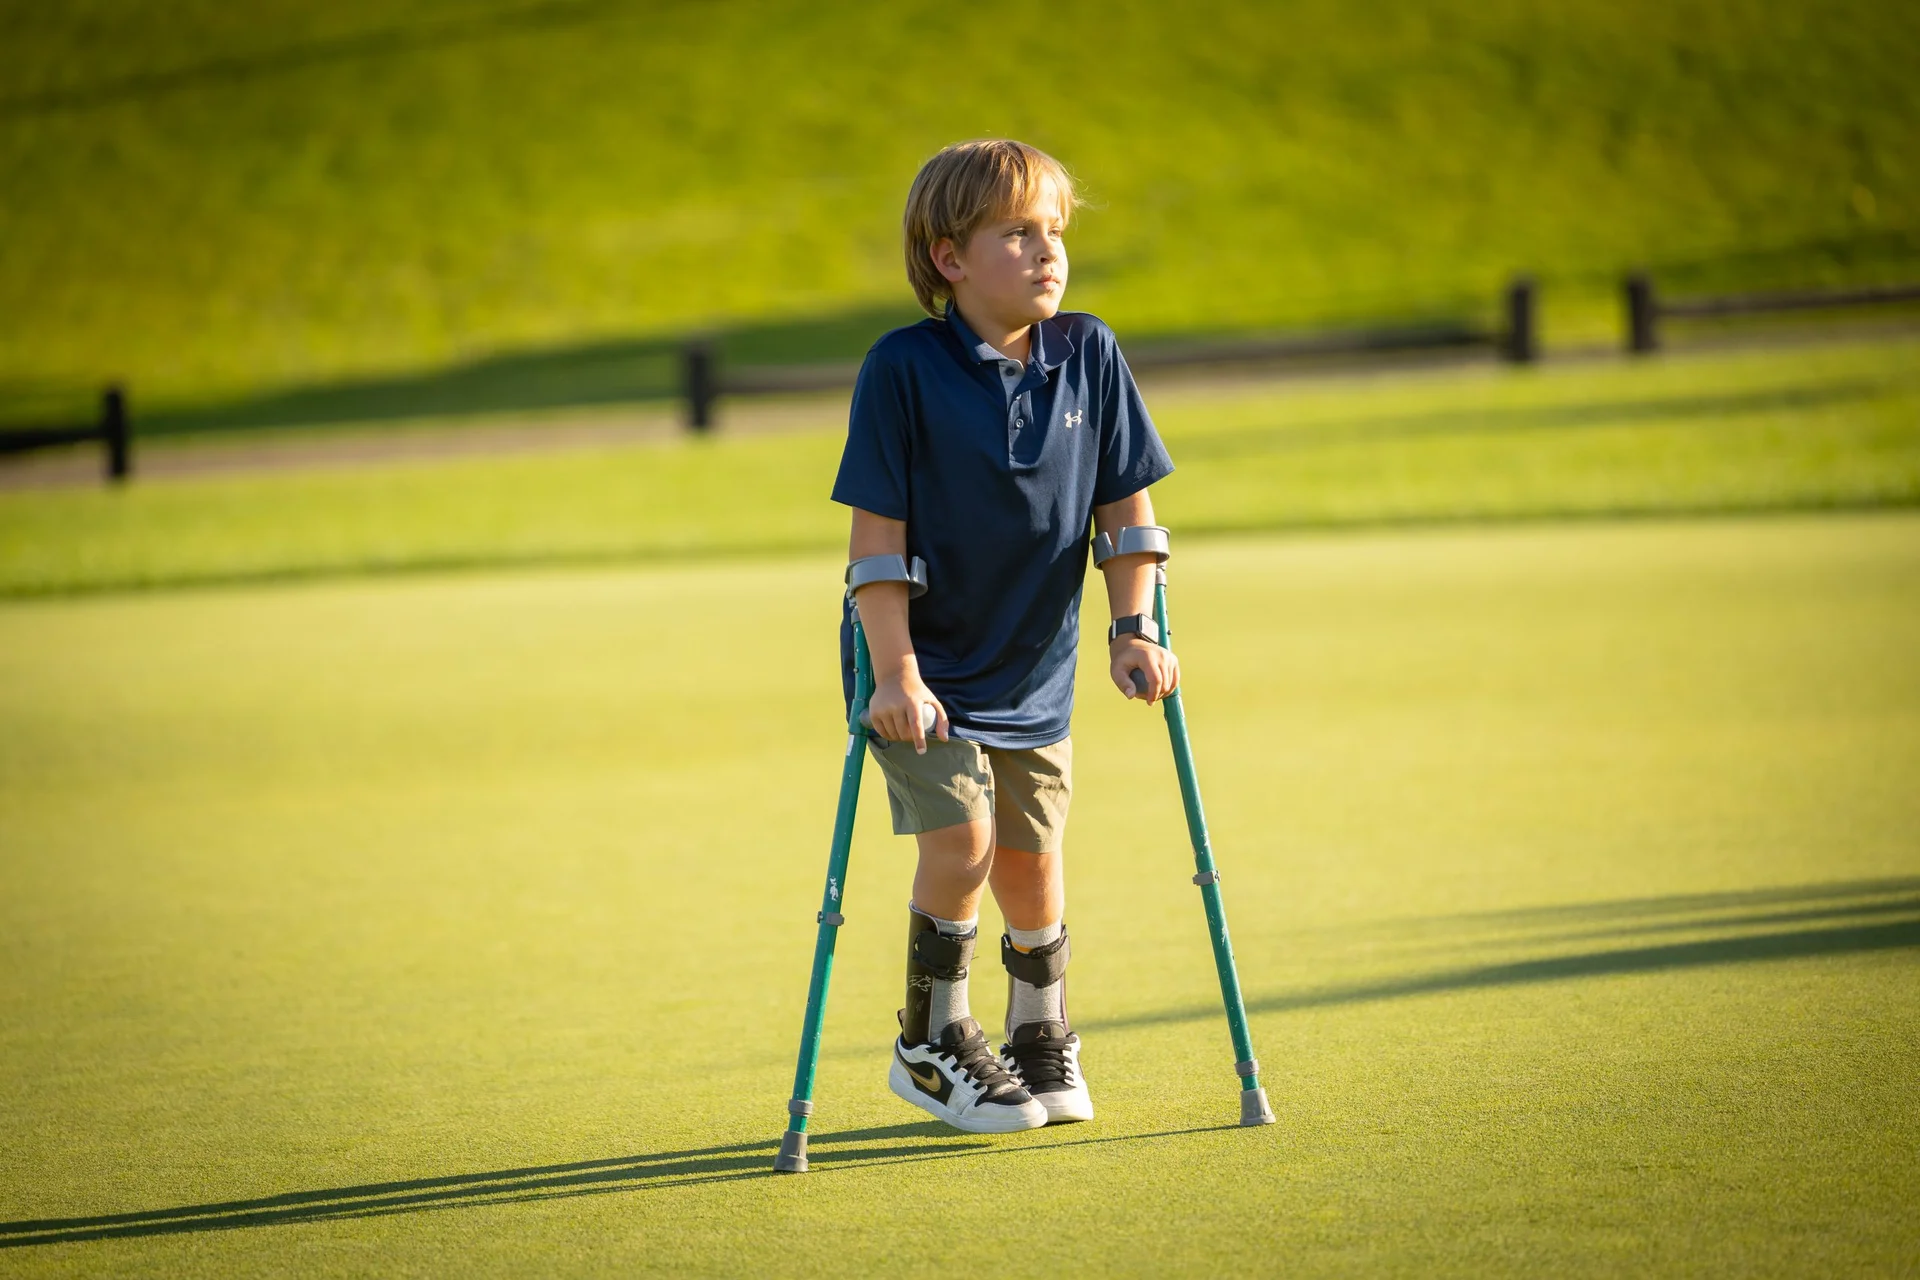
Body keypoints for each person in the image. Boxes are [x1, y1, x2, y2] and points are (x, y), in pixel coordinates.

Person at [831, 139, 1178, 1133]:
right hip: (919, 662)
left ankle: (1040, 1033)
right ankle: (931, 1040)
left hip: (1036, 659)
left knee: (1030, 853)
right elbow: (876, 542)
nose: (1047, 251)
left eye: (1054, 231)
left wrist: (1134, 626)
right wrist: (894, 671)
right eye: (1017, 233)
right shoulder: (902, 368)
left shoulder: (1090, 352)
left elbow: (1127, 511)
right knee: (966, 837)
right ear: (950, 258)